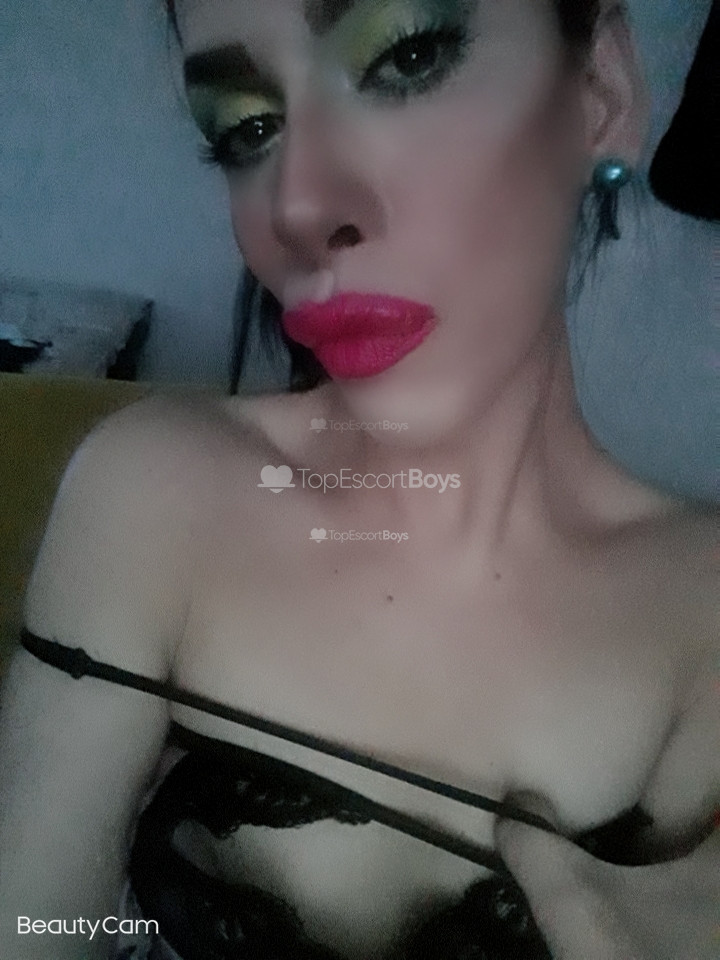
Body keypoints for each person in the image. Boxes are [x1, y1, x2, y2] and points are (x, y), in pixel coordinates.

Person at [0, 0, 717, 958]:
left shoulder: (704, 613)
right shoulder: (151, 491)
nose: (297, 207)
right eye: (247, 129)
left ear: (598, 94)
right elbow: (38, 929)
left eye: (407, 58)